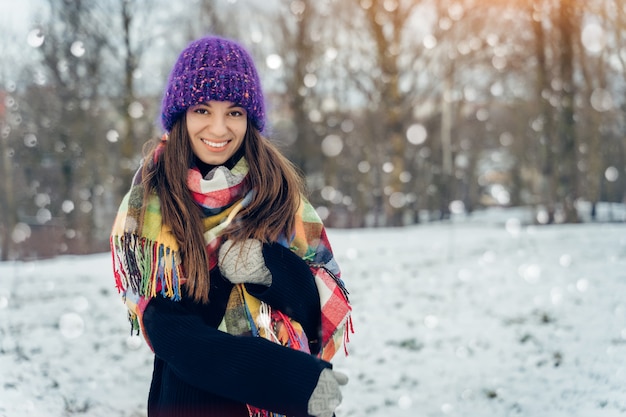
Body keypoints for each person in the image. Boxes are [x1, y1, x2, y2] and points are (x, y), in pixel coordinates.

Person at [110, 35, 353, 417]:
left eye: (235, 112)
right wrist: (295, 382)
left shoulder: (280, 193)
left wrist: (268, 266)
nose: (219, 129)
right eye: (203, 110)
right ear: (181, 115)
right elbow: (169, 332)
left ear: (250, 119)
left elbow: (315, 310)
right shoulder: (151, 204)